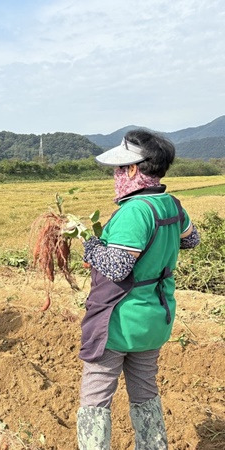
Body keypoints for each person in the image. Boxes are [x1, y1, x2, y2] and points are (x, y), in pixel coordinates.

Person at [76, 129, 200, 449]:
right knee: (145, 395)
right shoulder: (170, 204)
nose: (115, 175)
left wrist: (90, 248)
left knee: (95, 400)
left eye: (119, 169)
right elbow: (191, 239)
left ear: (133, 170)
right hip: (154, 318)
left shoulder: (135, 211)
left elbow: (117, 267)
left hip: (118, 322)